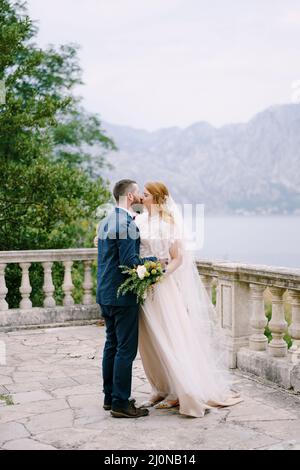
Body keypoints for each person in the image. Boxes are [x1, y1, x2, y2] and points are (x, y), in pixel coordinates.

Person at [135, 181, 243, 418]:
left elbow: (177, 258)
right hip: (142, 289)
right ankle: (159, 388)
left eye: (145, 194)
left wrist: (159, 275)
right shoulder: (139, 221)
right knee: (150, 341)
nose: (141, 197)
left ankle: (177, 392)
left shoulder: (169, 224)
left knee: (170, 337)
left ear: (157, 198)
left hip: (163, 287)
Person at [96, 179, 157, 418]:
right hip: (122, 296)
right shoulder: (128, 225)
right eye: (138, 193)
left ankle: (109, 397)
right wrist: (154, 263)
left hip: (105, 292)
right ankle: (121, 402)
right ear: (130, 197)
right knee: (125, 349)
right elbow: (129, 262)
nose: (141, 196)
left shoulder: (105, 222)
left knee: (111, 345)